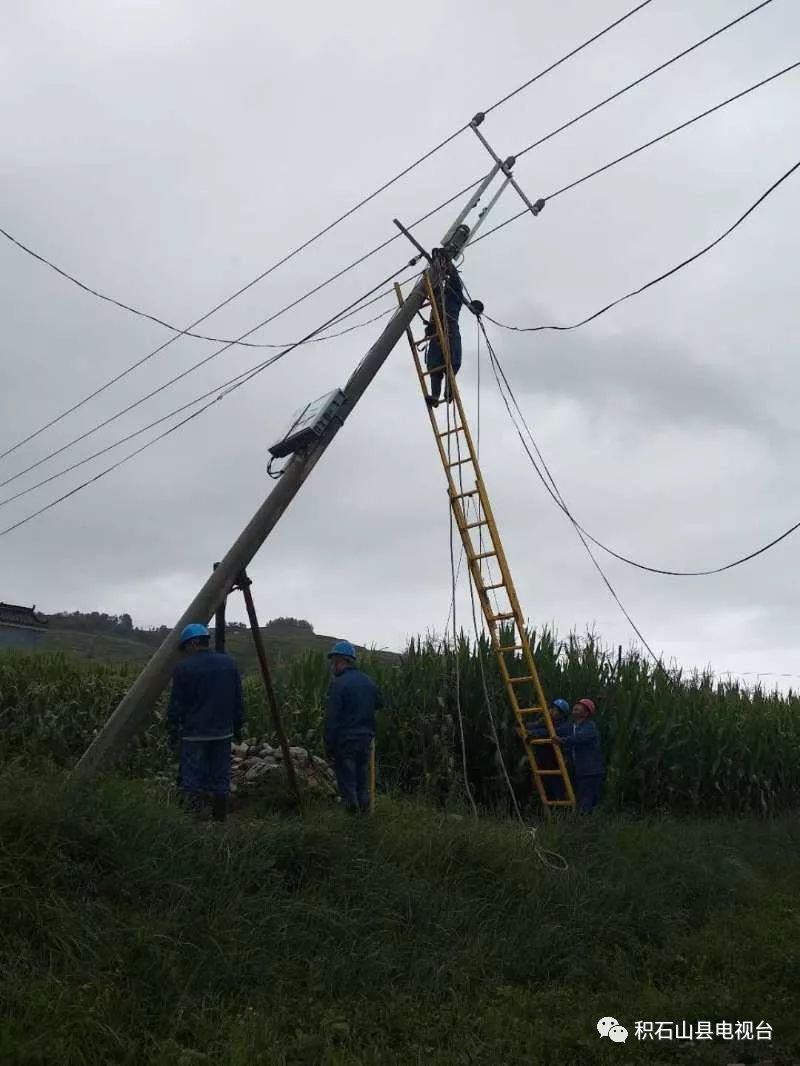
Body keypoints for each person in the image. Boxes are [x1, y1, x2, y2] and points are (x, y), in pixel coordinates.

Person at [167, 622, 244, 822]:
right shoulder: (229, 663)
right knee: (221, 776)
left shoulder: (183, 668)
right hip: (223, 732)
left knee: (191, 778)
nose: (186, 652)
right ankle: (220, 821)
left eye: (185, 648)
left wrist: (173, 729)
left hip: (194, 733)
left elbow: (177, 703)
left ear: (192, 643)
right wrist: (238, 726)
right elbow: (237, 698)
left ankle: (193, 822)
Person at [324, 640, 383, 813]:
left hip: (346, 740)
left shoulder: (338, 684)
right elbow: (380, 703)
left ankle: (351, 822)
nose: (331, 666)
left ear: (339, 661)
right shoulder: (369, 682)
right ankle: (364, 818)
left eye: (332, 661)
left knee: (348, 782)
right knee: (361, 781)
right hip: (366, 739)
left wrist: (329, 746)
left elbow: (332, 720)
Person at [424, 251, 483, 408]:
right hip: (437, 333)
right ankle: (435, 396)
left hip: (450, 332)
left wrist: (446, 260)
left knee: (451, 363)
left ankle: (449, 391)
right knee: (434, 367)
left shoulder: (456, 294)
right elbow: (433, 291)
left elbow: (455, 279)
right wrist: (430, 328)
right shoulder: (438, 294)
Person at [555, 698, 605, 813]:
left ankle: (582, 826)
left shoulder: (590, 726)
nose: (576, 706)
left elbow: (578, 738)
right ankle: (583, 824)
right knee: (580, 800)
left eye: (581, 706)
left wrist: (561, 741)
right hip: (578, 771)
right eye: (577, 704)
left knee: (585, 802)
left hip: (591, 772)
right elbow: (553, 731)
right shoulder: (571, 727)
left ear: (586, 713)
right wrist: (531, 731)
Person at [527, 698, 571, 802]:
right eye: (552, 708)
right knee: (539, 787)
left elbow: (550, 732)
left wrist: (534, 734)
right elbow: (536, 726)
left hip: (557, 762)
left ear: (562, 714)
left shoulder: (565, 726)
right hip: (543, 760)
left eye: (555, 710)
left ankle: (559, 812)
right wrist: (525, 726)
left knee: (556, 789)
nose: (551, 711)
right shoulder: (546, 721)